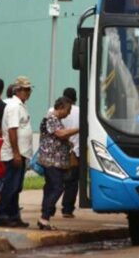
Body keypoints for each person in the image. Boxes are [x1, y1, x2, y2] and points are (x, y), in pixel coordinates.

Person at [0, 76, 34, 228]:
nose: (28, 92)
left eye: (29, 89)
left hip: (22, 153)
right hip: (14, 154)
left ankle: (13, 215)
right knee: (10, 186)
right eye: (24, 89)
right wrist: (16, 153)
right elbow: (12, 130)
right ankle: (3, 214)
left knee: (16, 187)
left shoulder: (21, 106)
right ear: (17, 90)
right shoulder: (14, 107)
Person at [37, 96, 79, 230]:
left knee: (51, 187)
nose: (69, 113)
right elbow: (60, 134)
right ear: (60, 108)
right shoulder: (51, 119)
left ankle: (45, 218)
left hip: (56, 161)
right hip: (52, 161)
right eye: (68, 109)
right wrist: (79, 129)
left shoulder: (56, 120)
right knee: (57, 187)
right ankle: (44, 217)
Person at [59, 88, 80, 218]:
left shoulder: (54, 110)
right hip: (75, 151)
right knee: (72, 181)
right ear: (75, 99)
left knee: (55, 180)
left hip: (59, 150)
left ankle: (48, 206)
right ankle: (67, 209)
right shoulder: (80, 111)